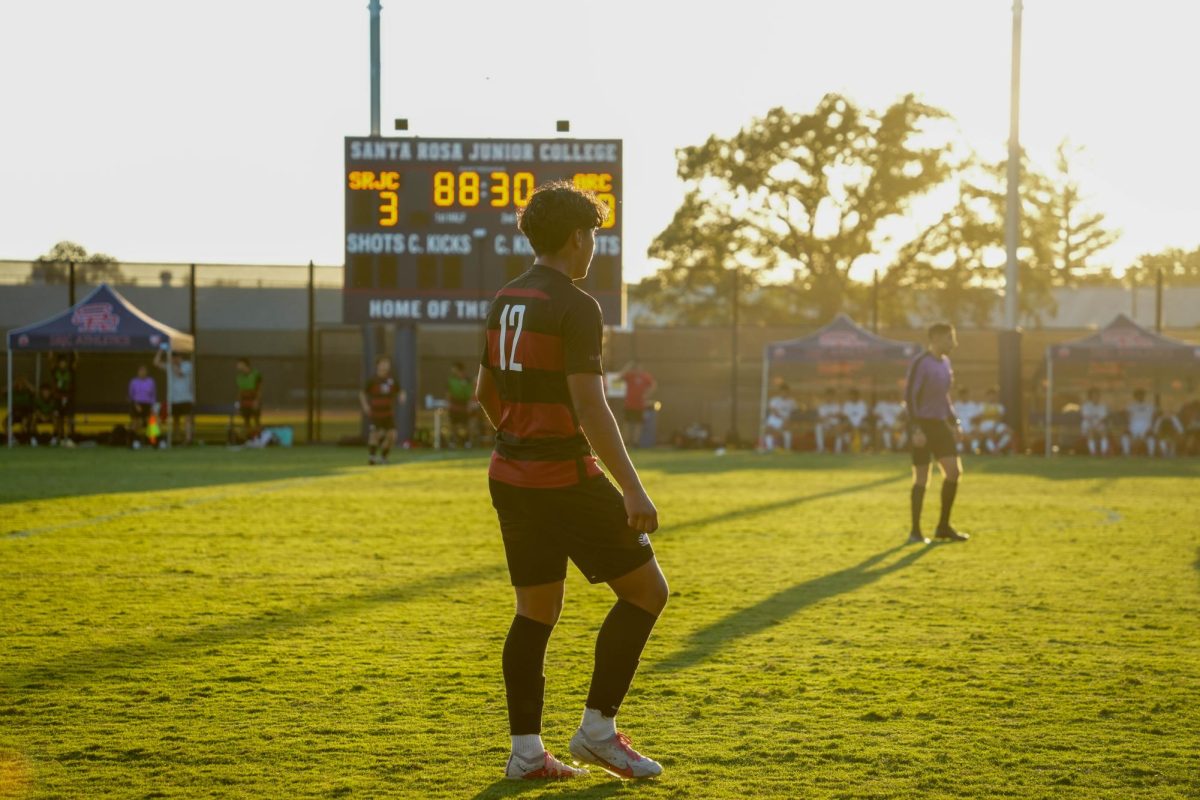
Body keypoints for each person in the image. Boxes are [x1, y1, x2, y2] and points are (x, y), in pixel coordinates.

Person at [475, 182, 667, 781]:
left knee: (535, 611)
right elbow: (591, 407)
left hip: (510, 475)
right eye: (593, 239)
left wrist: (519, 438)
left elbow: (487, 393)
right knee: (647, 593)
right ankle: (598, 732)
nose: (594, 252)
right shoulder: (577, 306)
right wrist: (633, 488)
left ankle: (527, 754)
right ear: (576, 236)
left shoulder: (505, 297)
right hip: (564, 477)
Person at [905, 323, 969, 543]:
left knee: (953, 471)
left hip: (939, 424)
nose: (954, 343)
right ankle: (915, 531)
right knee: (922, 477)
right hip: (921, 425)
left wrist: (955, 422)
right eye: (950, 338)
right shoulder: (921, 363)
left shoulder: (946, 363)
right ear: (937, 338)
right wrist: (915, 428)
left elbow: (944, 397)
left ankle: (943, 526)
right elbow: (910, 398)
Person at [359, 355, 404, 464]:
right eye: (383, 364)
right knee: (375, 434)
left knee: (392, 436)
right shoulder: (373, 380)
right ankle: (372, 457)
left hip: (388, 413)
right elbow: (362, 393)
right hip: (376, 413)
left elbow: (400, 390)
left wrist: (402, 396)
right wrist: (365, 405)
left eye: (387, 364)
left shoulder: (391, 380)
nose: (385, 366)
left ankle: (384, 457)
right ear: (377, 366)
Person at [154, 348, 195, 445]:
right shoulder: (169, 366)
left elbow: (180, 373)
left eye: (176, 357)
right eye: (173, 357)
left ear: (180, 357)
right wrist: (161, 351)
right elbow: (156, 363)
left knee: (187, 419)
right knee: (175, 420)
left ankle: (188, 439)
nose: (174, 359)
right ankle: (174, 438)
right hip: (172, 398)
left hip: (185, 398)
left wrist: (173, 364)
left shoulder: (187, 365)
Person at [619, 361, 657, 447]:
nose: (638, 369)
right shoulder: (630, 375)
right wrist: (627, 367)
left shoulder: (645, 376)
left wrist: (647, 394)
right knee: (627, 423)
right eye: (636, 368)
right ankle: (625, 442)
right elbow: (619, 378)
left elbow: (653, 385)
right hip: (629, 404)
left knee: (638, 424)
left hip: (640, 405)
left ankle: (635, 443)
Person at [51, 352, 78, 444]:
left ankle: (70, 436)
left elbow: (76, 361)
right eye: (61, 362)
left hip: (68, 398)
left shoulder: (70, 371)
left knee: (70, 418)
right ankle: (56, 436)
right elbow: (50, 360)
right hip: (58, 398)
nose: (63, 364)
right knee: (57, 416)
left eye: (64, 362)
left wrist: (75, 350)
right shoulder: (55, 370)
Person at [128, 364, 156, 449]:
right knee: (136, 423)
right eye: (141, 371)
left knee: (151, 422)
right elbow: (131, 395)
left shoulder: (151, 381)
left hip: (147, 404)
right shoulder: (134, 382)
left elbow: (153, 394)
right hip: (137, 404)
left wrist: (152, 406)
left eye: (144, 371)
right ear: (138, 372)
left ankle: (152, 442)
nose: (142, 372)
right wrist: (136, 404)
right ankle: (132, 441)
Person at [234, 358, 263, 441]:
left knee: (256, 419)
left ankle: (259, 439)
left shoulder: (256, 374)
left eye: (239, 364)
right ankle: (249, 439)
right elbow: (240, 391)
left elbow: (259, 389)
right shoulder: (239, 377)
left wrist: (257, 400)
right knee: (246, 420)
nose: (238, 366)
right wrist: (239, 403)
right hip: (244, 400)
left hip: (253, 399)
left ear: (244, 364)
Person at [446, 361, 474, 448]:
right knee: (453, 425)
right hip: (454, 404)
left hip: (464, 404)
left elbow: (471, 393)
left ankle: (467, 441)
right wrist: (449, 403)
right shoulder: (451, 379)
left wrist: (469, 404)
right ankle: (453, 442)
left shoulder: (468, 380)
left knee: (465, 425)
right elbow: (448, 392)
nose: (453, 371)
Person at [762, 382, 796, 452]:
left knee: (787, 431)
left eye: (786, 392)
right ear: (780, 392)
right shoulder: (774, 400)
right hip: (774, 420)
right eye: (783, 391)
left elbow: (794, 413)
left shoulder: (792, 402)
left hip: (786, 421)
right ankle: (770, 449)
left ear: (788, 392)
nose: (784, 393)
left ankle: (787, 449)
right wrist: (782, 420)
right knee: (769, 430)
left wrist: (787, 421)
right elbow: (773, 411)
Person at [1121, 389, 1156, 456]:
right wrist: (1127, 427)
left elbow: (1153, 418)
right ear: (1135, 397)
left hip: (1146, 426)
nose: (1140, 397)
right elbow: (1127, 417)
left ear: (1144, 396)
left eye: (1142, 395)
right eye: (1138, 395)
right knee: (1124, 437)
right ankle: (1126, 453)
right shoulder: (1131, 406)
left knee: (1151, 437)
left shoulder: (1150, 406)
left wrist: (1151, 427)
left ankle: (1151, 454)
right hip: (1134, 426)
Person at [977, 388, 1011, 454]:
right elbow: (980, 418)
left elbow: (1000, 418)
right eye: (990, 395)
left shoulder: (999, 406)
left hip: (997, 424)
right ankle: (994, 450)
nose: (991, 397)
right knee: (990, 434)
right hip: (985, 424)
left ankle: (997, 448)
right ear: (987, 396)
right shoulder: (982, 406)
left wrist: (995, 427)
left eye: (993, 395)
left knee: (1009, 431)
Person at [1080, 387, 1110, 456]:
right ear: (1090, 396)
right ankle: (1093, 452)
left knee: (1104, 433)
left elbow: (1104, 417)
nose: (1095, 397)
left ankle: (1103, 452)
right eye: (1094, 395)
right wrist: (1093, 425)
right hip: (1088, 425)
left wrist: (1097, 425)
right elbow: (1086, 417)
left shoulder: (1102, 406)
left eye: (1097, 395)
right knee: (1091, 432)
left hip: (1099, 425)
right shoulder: (1086, 406)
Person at [841, 388, 869, 453]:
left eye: (854, 395)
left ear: (858, 396)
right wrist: (852, 425)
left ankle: (863, 448)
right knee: (844, 426)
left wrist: (858, 425)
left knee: (866, 427)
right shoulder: (847, 404)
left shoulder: (862, 404)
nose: (853, 397)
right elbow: (845, 416)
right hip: (849, 423)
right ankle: (849, 448)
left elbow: (865, 416)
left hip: (860, 423)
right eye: (851, 395)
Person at [815, 388, 843, 453]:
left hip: (835, 424)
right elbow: (821, 418)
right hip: (825, 424)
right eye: (828, 395)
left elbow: (839, 416)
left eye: (831, 396)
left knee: (839, 428)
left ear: (833, 396)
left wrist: (831, 417)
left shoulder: (836, 405)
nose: (829, 397)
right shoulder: (822, 406)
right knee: (818, 427)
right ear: (825, 396)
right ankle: (820, 448)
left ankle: (838, 450)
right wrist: (829, 417)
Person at [956, 388, 980, 454]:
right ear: (960, 396)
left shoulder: (973, 405)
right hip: (959, 425)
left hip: (970, 425)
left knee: (976, 432)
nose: (964, 397)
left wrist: (975, 426)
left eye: (966, 395)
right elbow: (955, 418)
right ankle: (960, 450)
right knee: (957, 434)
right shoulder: (956, 406)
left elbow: (976, 419)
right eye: (962, 395)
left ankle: (974, 449)